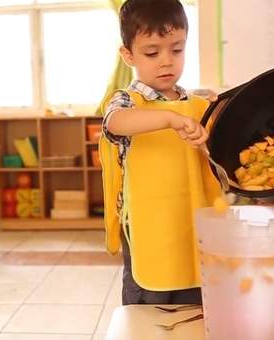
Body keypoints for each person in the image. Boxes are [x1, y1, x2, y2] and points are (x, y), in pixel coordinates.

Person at [100, 0, 220, 305]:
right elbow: (115, 122)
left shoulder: (197, 104)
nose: (166, 61)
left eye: (176, 50)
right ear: (128, 55)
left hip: (194, 223)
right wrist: (168, 118)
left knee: (193, 304)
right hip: (148, 226)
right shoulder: (126, 101)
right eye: (152, 52)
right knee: (149, 310)